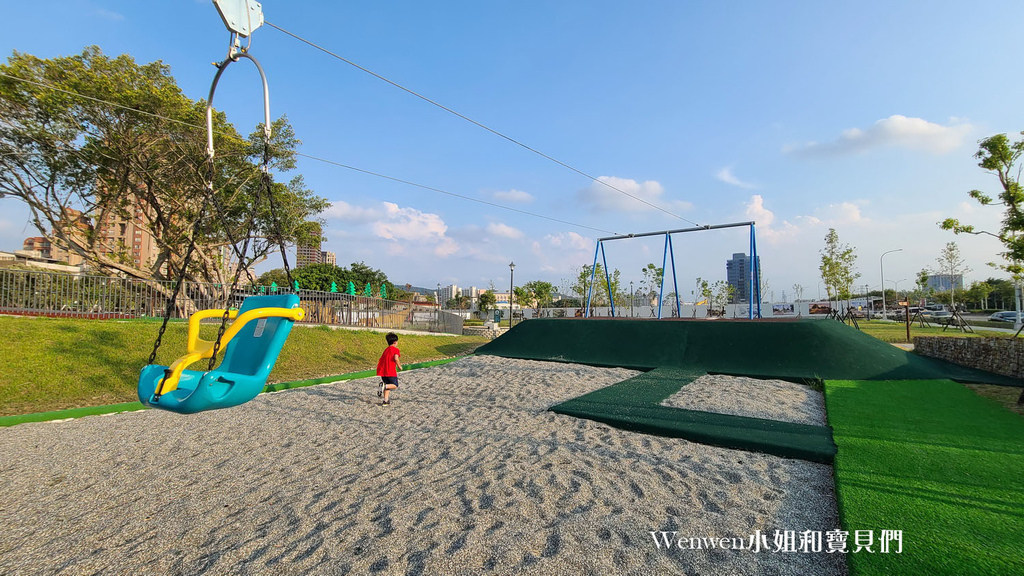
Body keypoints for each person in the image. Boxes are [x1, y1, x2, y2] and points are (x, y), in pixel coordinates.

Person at [376, 332, 402, 406]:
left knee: (387, 385)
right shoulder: (395, 350)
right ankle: (384, 386)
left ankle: (385, 400)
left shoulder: (386, 350)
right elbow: (396, 358)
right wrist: (399, 366)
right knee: (394, 385)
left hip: (383, 371)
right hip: (390, 371)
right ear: (395, 342)